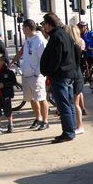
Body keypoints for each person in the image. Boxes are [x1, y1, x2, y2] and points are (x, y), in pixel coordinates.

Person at [39, 12, 77, 143]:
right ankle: (71, 129)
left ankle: (68, 132)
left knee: (64, 105)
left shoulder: (56, 36)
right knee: (69, 104)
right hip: (68, 73)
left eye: (44, 24)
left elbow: (56, 58)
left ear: (49, 24)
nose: (43, 27)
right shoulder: (65, 34)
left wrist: (48, 71)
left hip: (60, 75)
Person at [12, 19, 49, 130]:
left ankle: (45, 120)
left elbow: (44, 58)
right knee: (32, 98)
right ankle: (38, 118)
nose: (22, 30)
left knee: (41, 98)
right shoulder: (28, 39)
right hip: (26, 74)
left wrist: (38, 73)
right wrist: (12, 61)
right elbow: (22, 52)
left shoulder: (40, 40)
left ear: (28, 28)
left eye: (23, 27)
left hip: (36, 75)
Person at [67, 24, 87, 135]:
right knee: (75, 102)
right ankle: (77, 125)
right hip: (77, 74)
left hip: (76, 75)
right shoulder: (76, 45)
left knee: (75, 103)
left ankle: (80, 126)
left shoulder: (75, 46)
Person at [78, 21, 93, 90]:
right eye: (80, 27)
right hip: (84, 54)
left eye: (82, 27)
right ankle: (89, 81)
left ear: (86, 27)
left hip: (92, 53)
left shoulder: (91, 33)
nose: (81, 28)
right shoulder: (78, 35)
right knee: (86, 67)